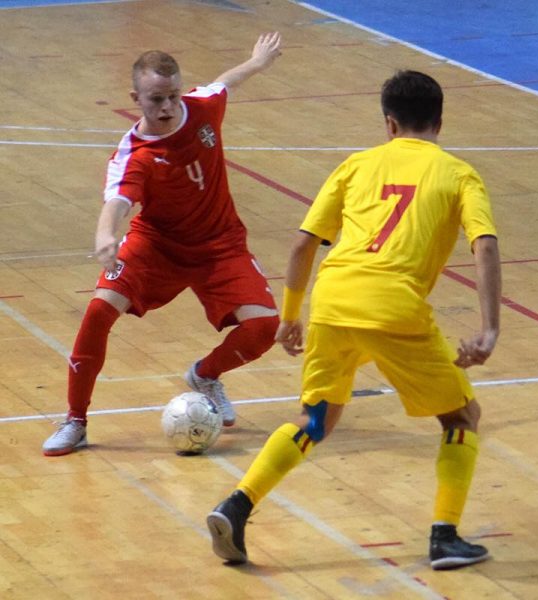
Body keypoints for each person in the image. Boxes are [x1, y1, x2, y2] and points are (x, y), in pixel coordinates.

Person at [206, 70, 502, 570]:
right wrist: (490, 328)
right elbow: (485, 245)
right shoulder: (458, 174)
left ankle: (236, 504)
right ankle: (444, 536)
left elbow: (303, 244)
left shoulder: (357, 164)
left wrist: (290, 316)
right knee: (461, 418)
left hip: (334, 299)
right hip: (394, 307)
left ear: (389, 124)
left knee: (316, 418)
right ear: (440, 122)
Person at [42, 33, 283, 457]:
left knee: (264, 328)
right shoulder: (134, 154)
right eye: (156, 99)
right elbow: (117, 200)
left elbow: (226, 81)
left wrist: (257, 61)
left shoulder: (203, 107)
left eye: (172, 95)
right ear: (136, 97)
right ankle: (76, 420)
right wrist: (105, 234)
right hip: (157, 246)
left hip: (220, 244)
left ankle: (206, 375)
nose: (167, 107)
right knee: (99, 311)